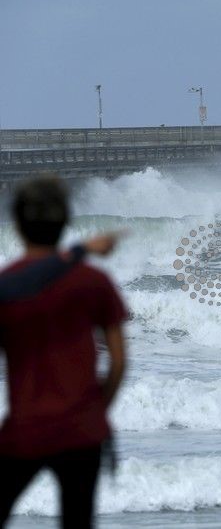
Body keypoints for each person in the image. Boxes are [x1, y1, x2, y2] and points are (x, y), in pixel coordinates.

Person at [0, 179, 128, 529]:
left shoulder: (8, 284)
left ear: (18, 224)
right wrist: (97, 410)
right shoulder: (93, 282)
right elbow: (118, 361)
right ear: (65, 222)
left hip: (25, 429)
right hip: (80, 432)